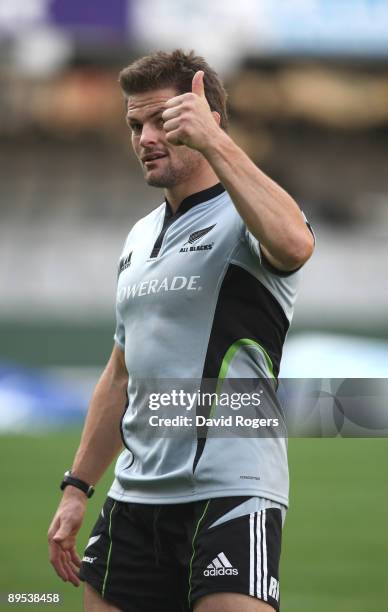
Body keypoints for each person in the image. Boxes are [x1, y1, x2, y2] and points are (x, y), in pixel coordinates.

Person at [48, 49, 314, 612]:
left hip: (230, 494)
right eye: (135, 125)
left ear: (207, 120)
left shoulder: (248, 213)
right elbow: (120, 372)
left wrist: (216, 144)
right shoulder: (139, 236)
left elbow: (295, 245)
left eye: (162, 121)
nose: (145, 137)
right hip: (133, 499)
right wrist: (77, 488)